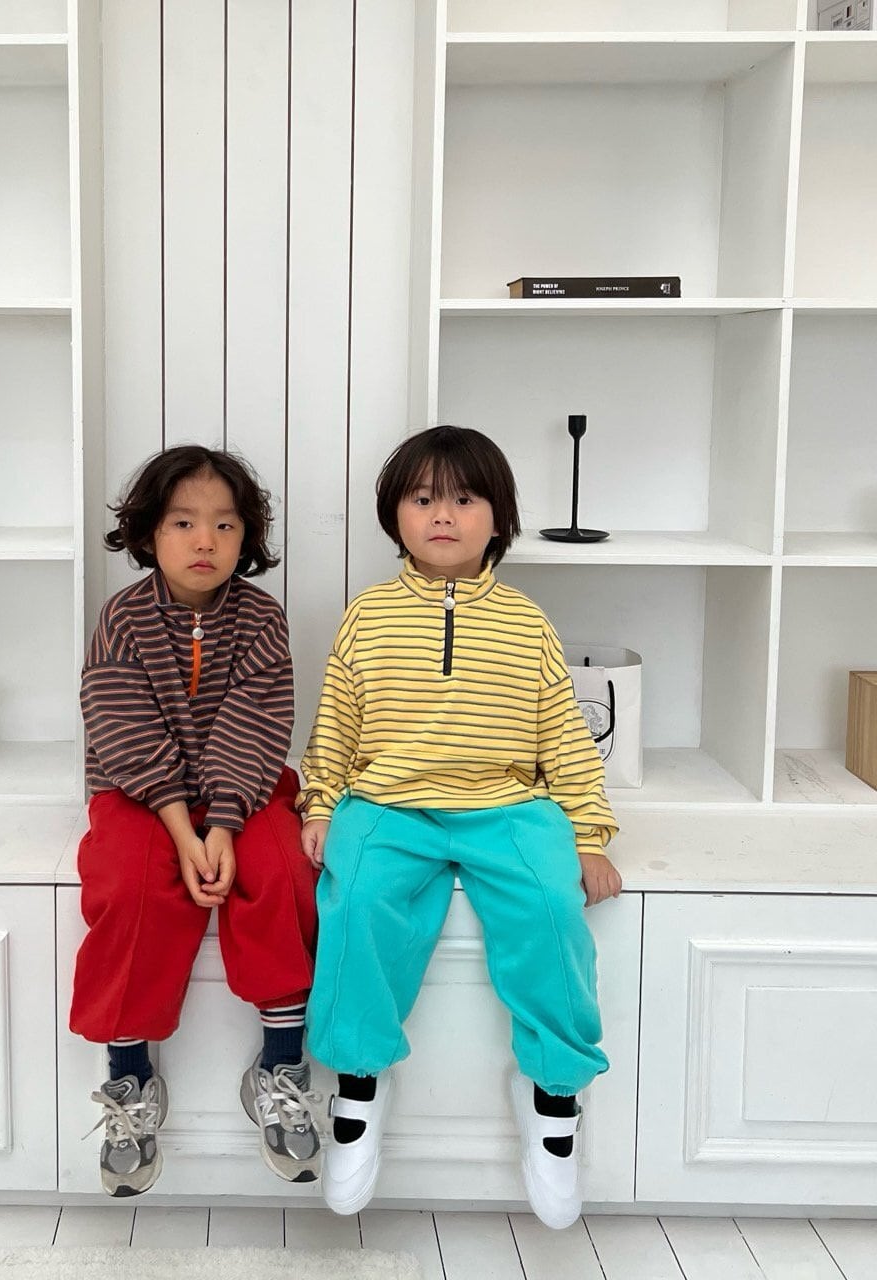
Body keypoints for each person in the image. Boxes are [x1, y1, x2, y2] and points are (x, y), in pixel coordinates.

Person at [298, 424, 621, 1227]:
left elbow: (564, 738)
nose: (443, 514)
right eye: (423, 498)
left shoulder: (526, 623)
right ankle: (359, 1089)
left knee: (552, 911)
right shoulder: (368, 616)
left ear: (497, 518)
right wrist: (322, 803)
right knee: (354, 903)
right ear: (395, 515)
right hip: (387, 806)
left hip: (506, 807)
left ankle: (553, 1100)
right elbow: (335, 722)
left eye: (465, 498)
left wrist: (588, 835)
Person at [70, 444, 322, 1197]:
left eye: (225, 524)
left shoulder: (261, 620)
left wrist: (224, 827)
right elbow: (122, 727)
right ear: (150, 532)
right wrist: (183, 832)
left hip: (245, 790)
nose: (205, 540)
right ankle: (129, 1075)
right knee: (127, 886)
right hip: (138, 792)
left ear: (248, 538)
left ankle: (281, 1064)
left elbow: (256, 723)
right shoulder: (122, 618)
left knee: (288, 874)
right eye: (183, 522)